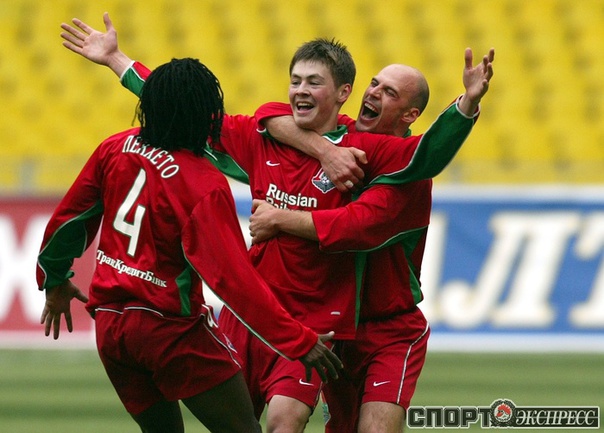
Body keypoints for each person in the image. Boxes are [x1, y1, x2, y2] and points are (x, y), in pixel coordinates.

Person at [59, 13, 492, 433]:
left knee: (287, 421)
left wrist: (466, 105)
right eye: (295, 81)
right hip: (253, 316)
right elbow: (180, 103)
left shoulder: (367, 153)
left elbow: (391, 191)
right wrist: (116, 61)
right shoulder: (264, 135)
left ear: (342, 92)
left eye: (313, 83)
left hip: (319, 322)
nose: (301, 90)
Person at [36, 57, 342, 433]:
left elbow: (68, 221)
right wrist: (297, 341)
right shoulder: (203, 183)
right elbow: (233, 280)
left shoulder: (114, 148)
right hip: (171, 332)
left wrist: (54, 280)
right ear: (204, 114)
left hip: (112, 329)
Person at [247, 63, 444, 433]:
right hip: (335, 327)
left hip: (389, 327)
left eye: (389, 92)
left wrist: (279, 218)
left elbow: (355, 228)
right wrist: (325, 150)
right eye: (374, 84)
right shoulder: (345, 138)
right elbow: (270, 115)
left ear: (409, 115)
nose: (373, 93)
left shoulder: (410, 173)